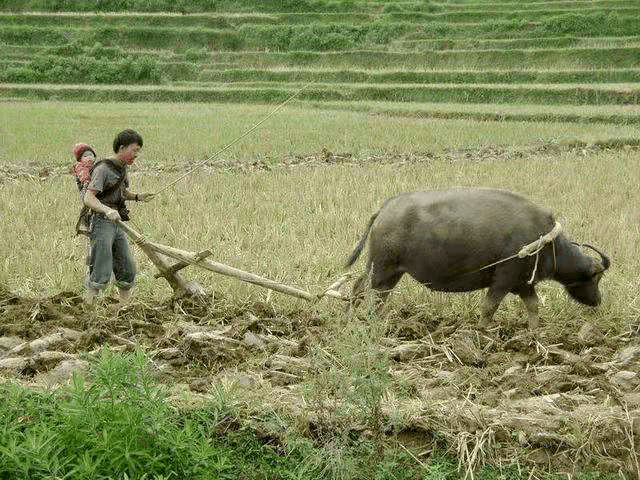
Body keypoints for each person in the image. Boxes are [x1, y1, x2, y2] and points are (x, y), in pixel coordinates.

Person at [83, 129, 154, 305]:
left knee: (126, 267)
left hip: (117, 223)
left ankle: (124, 309)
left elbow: (119, 193)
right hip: (102, 222)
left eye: (138, 151)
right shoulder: (103, 169)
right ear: (122, 148)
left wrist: (137, 196)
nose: (137, 155)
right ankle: (88, 309)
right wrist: (106, 210)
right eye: (134, 150)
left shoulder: (122, 169)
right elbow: (88, 198)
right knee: (101, 267)